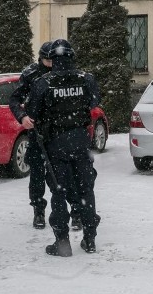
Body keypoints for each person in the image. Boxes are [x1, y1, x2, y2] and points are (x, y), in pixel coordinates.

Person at [21, 39, 101, 257]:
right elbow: (94, 102)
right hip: (81, 142)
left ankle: (62, 242)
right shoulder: (87, 79)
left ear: (53, 60)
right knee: (86, 189)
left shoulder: (44, 82)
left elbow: (32, 112)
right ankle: (90, 239)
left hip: (55, 144)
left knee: (58, 191)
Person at [9, 41, 55, 229]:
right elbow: (14, 99)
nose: (51, 64)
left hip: (59, 132)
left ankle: (67, 211)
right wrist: (22, 117)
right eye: (47, 60)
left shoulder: (64, 73)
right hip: (37, 131)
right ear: (41, 58)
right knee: (37, 174)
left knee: (59, 175)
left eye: (54, 60)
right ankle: (38, 211)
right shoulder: (31, 75)